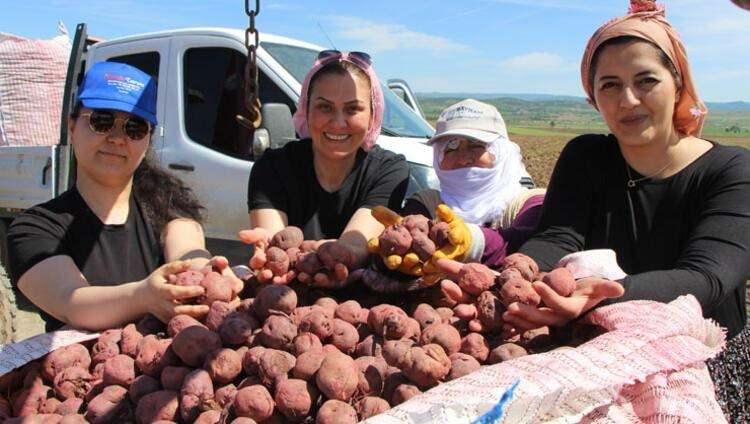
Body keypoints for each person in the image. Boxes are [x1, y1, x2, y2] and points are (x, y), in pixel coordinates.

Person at [500, 1, 750, 419]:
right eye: (610, 85)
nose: (628, 100)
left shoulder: (731, 171)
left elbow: (706, 278)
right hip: (598, 358)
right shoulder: (587, 157)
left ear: (678, 82)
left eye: (646, 80)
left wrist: (603, 295)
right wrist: (521, 267)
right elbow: (559, 236)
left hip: (702, 367)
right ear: (593, 96)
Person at [7, 62, 241, 332]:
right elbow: (71, 302)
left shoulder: (168, 206)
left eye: (135, 128)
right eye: (102, 120)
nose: (117, 138)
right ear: (72, 127)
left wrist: (208, 273)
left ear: (148, 139)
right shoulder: (35, 228)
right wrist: (143, 297)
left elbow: (189, 254)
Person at [242, 50, 409, 288]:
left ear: (372, 114)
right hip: (286, 295)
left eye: (353, 109)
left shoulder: (389, 170)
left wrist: (340, 254)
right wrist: (272, 253)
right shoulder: (272, 167)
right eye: (325, 107)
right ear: (305, 109)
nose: (338, 123)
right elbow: (275, 247)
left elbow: (356, 244)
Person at [403, 99, 545, 266]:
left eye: (476, 145)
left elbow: (535, 248)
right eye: (451, 147)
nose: (463, 159)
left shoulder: (531, 204)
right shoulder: (427, 204)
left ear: (501, 152)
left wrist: (471, 242)